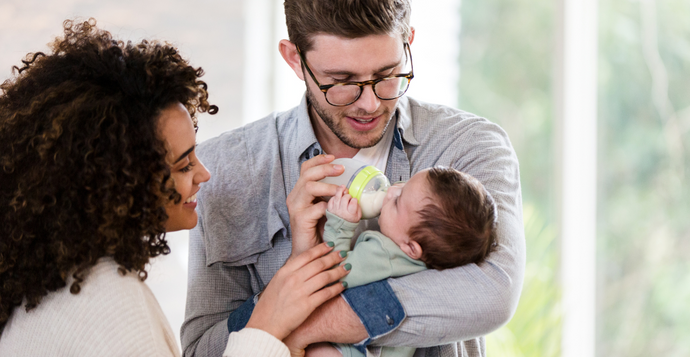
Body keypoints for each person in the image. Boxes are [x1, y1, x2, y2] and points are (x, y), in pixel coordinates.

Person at [181, 0, 526, 356]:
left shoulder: (468, 147)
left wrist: (299, 328)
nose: (370, 104)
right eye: (341, 82)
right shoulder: (225, 168)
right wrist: (299, 264)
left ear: (408, 40)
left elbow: (494, 291)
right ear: (294, 58)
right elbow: (202, 351)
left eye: (388, 74)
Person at [0, 19, 349, 357]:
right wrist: (266, 323)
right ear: (122, 180)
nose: (205, 174)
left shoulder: (54, 281)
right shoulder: (111, 306)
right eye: (184, 165)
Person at [312, 167, 498, 357]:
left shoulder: (383, 253)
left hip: (354, 352)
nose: (391, 190)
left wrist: (340, 226)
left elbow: (332, 276)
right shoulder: (434, 263)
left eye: (397, 201)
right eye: (404, 185)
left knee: (315, 349)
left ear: (411, 248)